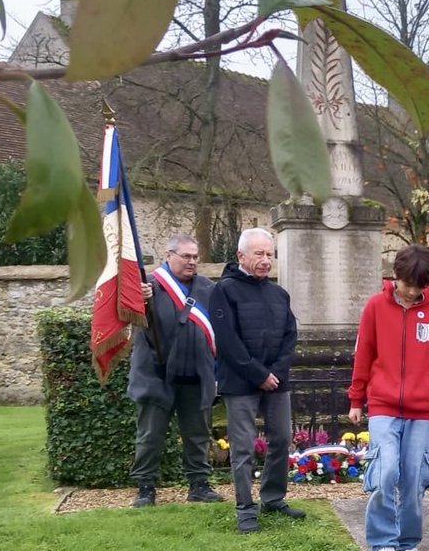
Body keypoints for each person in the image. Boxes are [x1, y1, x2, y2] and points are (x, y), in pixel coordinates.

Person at [348, 244, 429, 551]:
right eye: (407, 285)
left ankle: (408, 544)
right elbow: (364, 353)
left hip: (422, 410)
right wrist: (356, 398)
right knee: (386, 470)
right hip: (382, 405)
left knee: (414, 478)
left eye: (418, 287)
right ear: (396, 276)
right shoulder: (375, 307)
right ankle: (383, 544)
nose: (411, 292)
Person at [209, 227, 304, 533]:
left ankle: (273, 497)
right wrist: (258, 374)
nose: (266, 260)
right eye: (259, 254)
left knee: (281, 439)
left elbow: (290, 335)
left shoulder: (279, 293)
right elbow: (227, 340)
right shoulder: (223, 291)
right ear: (241, 256)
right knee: (243, 447)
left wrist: (275, 371)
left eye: (269, 254)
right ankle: (245, 507)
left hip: (276, 382)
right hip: (241, 384)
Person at [127, 234, 223, 507]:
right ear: (168, 255)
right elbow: (125, 316)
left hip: (195, 376)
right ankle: (145, 488)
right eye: (186, 256)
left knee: (197, 434)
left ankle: (199, 485)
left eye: (195, 257)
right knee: (150, 435)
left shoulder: (207, 288)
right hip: (155, 375)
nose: (192, 262)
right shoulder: (149, 286)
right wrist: (137, 297)